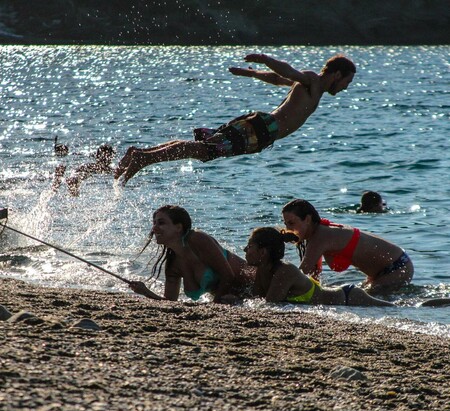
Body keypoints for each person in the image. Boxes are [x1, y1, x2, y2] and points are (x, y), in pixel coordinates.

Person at [114, 53, 356, 184]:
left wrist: (251, 74)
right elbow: (286, 70)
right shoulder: (312, 81)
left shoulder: (311, 89)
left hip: (261, 132)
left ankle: (141, 154)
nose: (346, 87)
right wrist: (264, 59)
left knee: (204, 150)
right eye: (347, 81)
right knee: (204, 151)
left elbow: (277, 79)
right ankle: (143, 159)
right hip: (261, 129)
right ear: (336, 74)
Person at [281, 199, 414, 293]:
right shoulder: (316, 235)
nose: (287, 228)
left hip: (397, 266)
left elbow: (301, 273)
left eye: (291, 223)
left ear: (308, 219)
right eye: (286, 224)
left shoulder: (321, 236)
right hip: (383, 271)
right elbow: (313, 275)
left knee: (363, 298)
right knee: (361, 294)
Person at [128, 205, 254, 302]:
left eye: (161, 223)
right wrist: (145, 291)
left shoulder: (197, 239)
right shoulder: (173, 265)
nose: (154, 228)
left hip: (257, 288)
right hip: (240, 301)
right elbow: (170, 302)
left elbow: (228, 276)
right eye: (154, 223)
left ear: (178, 227)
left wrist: (215, 306)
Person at [244, 227, 394, 306]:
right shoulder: (262, 269)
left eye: (249, 246)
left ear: (263, 251)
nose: (245, 250)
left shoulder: (285, 271)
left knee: (393, 310)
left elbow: (270, 305)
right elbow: (256, 299)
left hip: (349, 298)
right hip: (343, 300)